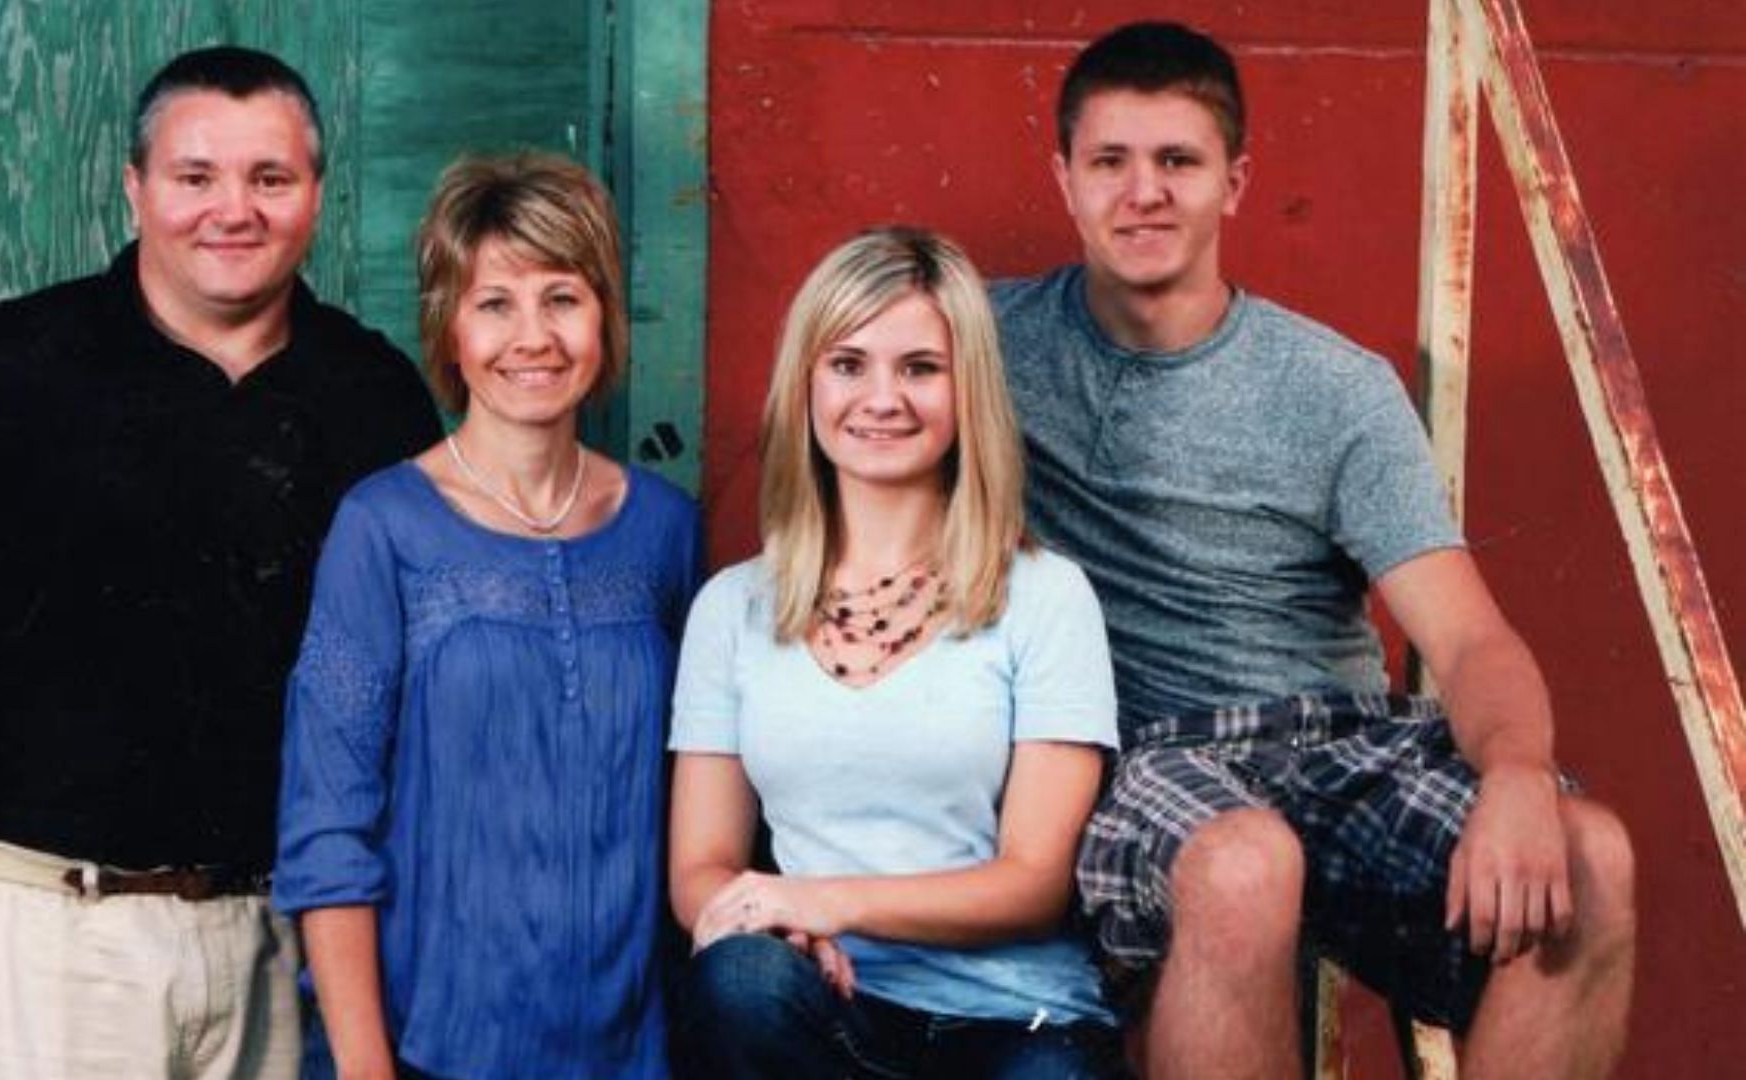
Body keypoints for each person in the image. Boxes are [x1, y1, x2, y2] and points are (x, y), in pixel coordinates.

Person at [990, 21, 1637, 1079]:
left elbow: (1469, 638)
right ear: (1063, 177)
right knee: (1246, 865)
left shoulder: (1334, 388)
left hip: (1340, 741)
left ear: (1234, 184)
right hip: (1154, 755)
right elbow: (844, 381)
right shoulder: (985, 345)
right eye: (1110, 161)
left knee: (1593, 858)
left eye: (1178, 162)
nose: (1142, 192)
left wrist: (1519, 773)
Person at [0, 45, 441, 1080]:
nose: (232, 210)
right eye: (195, 177)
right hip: (37, 932)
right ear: (135, 187)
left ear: (317, 196)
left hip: (281, 940)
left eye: (270, 179)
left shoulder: (373, 395)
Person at [273, 151, 700, 1080]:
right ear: (450, 328)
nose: (533, 336)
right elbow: (327, 825)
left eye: (564, 298)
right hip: (426, 1046)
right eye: (495, 302)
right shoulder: (382, 526)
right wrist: (363, 1066)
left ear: (606, 319)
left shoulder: (667, 531)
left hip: (626, 1052)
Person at [668, 226, 1122, 1080]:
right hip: (825, 1009)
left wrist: (821, 901)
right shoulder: (733, 608)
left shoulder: (1046, 597)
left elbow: (1033, 885)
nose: (882, 398)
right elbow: (699, 866)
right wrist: (775, 925)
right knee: (737, 980)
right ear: (805, 382)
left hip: (1013, 1025)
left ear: (968, 391)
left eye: (920, 368)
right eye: (848, 365)